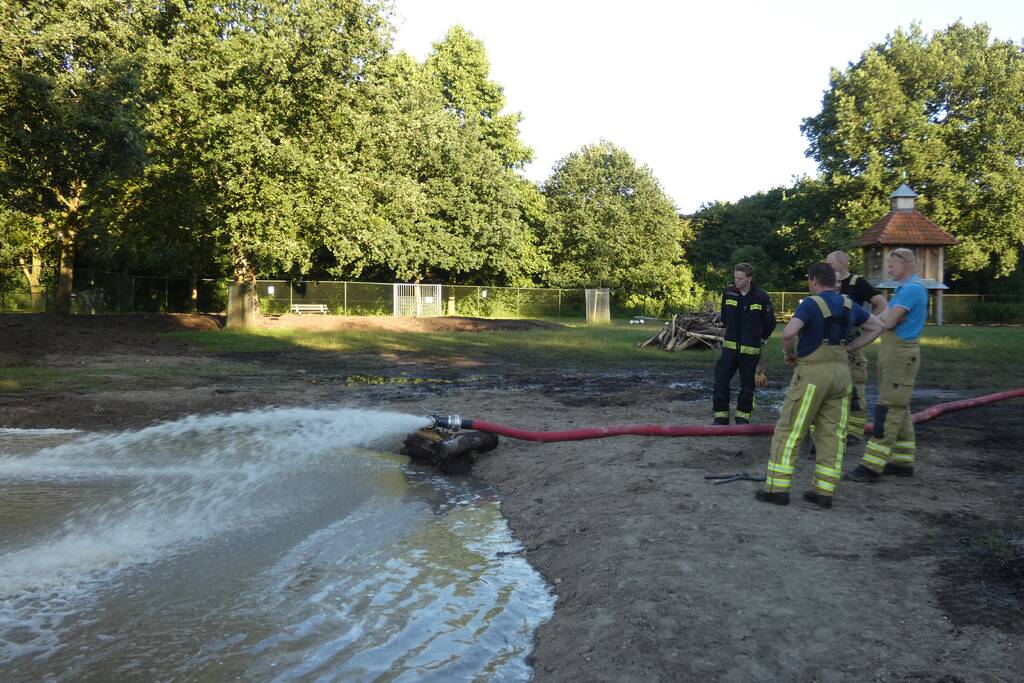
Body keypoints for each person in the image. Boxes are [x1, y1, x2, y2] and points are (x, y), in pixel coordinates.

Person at [755, 263, 883, 508]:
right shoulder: (848, 304)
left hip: (813, 375)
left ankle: (776, 489)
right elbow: (877, 326)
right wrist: (852, 347)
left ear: (814, 281)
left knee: (791, 430)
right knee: (832, 434)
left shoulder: (811, 304)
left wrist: (789, 353)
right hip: (842, 375)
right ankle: (823, 492)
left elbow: (788, 333)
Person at [845, 248, 929, 482]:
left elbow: (889, 321)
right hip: (894, 353)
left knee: (888, 408)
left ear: (905, 263)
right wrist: (888, 317)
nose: (888, 269)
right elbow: (887, 318)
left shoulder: (912, 289)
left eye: (891, 264)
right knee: (899, 407)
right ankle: (903, 461)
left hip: (901, 354)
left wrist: (889, 317)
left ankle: (871, 466)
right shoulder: (903, 290)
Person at [825, 251, 887, 441]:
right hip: (831, 344)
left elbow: (881, 303)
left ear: (843, 264)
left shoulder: (857, 283)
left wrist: (866, 322)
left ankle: (854, 431)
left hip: (851, 343)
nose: (828, 267)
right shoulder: (825, 283)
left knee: (855, 387)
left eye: (831, 263)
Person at [712, 263, 777, 425]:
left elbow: (770, 322)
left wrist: (760, 338)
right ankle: (720, 417)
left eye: (740, 278)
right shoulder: (729, 293)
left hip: (751, 349)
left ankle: (742, 418)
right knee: (720, 380)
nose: (736, 281)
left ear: (749, 279)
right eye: (735, 277)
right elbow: (725, 318)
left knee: (747, 386)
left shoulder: (761, 296)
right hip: (730, 348)